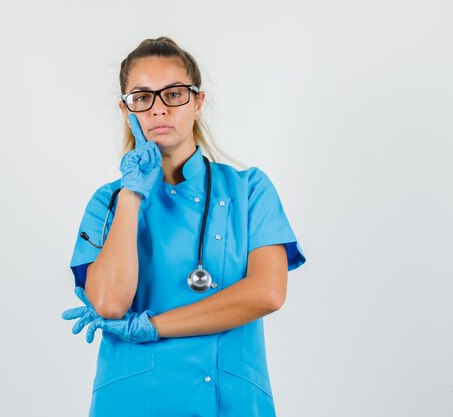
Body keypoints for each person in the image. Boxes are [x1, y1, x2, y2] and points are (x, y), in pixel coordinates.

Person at [61, 36, 307, 417]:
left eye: (173, 94)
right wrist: (131, 195)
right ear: (126, 110)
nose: (159, 110)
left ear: (197, 102)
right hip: (132, 401)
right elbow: (109, 304)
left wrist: (154, 326)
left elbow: (267, 293)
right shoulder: (107, 202)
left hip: (229, 400)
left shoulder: (249, 190)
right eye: (143, 98)